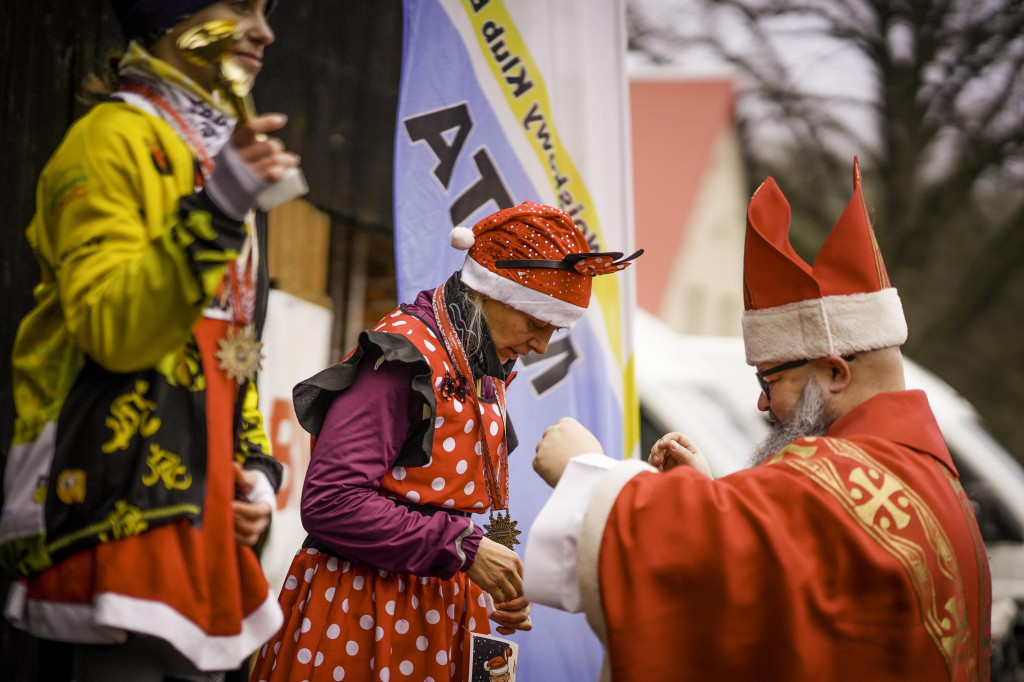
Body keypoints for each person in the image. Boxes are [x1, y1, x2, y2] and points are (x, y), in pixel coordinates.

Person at [525, 159, 991, 681]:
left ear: (835, 372)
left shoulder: (840, 472)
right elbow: (801, 592)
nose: (762, 406)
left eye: (770, 382)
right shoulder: (929, 473)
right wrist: (715, 493)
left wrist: (589, 475)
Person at [0, 1, 300, 679]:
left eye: (267, 9)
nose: (264, 32)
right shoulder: (109, 139)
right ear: (175, 15)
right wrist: (220, 211)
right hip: (110, 509)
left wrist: (251, 471)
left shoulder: (216, 158)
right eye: (241, 7)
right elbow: (113, 333)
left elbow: (230, 352)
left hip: (201, 514)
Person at [249, 201, 640, 682]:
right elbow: (331, 503)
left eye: (554, 330)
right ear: (492, 293)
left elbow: (464, 505)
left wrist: (499, 574)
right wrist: (464, 549)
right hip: (363, 613)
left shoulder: (486, 367)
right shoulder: (403, 358)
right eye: (537, 322)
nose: (541, 345)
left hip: (436, 613)